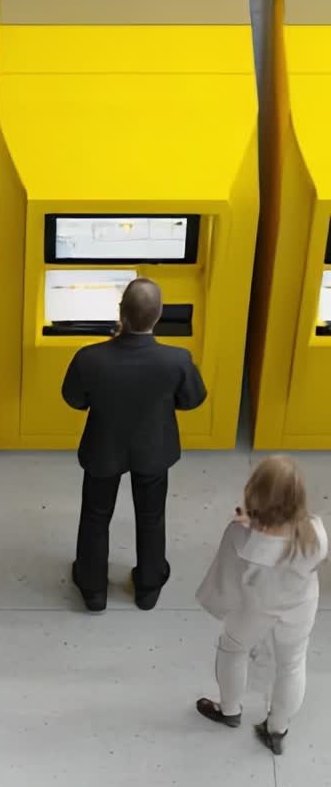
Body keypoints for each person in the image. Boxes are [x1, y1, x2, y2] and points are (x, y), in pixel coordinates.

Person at [61, 277, 206, 612]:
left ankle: (93, 588)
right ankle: (148, 587)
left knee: (96, 517)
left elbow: (73, 399)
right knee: (152, 516)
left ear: (120, 314)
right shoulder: (177, 360)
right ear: (158, 316)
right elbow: (193, 399)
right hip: (154, 449)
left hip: (103, 448)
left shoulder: (90, 357)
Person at [196, 455, 327, 754]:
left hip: (255, 609)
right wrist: (256, 521)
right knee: (292, 664)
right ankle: (277, 728)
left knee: (232, 648)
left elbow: (226, 579)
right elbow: (285, 535)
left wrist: (250, 523)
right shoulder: (316, 532)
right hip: (300, 608)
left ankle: (229, 709)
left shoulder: (240, 537)